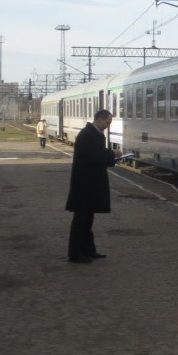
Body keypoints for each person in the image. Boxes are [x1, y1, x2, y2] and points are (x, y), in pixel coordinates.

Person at [65, 109, 117, 264]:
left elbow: (96, 153)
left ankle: (88, 250)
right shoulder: (89, 135)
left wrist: (111, 154)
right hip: (86, 185)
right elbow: (95, 157)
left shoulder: (90, 134)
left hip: (88, 184)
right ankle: (76, 254)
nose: (108, 126)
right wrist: (113, 155)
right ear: (100, 119)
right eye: (107, 122)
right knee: (81, 220)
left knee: (87, 219)